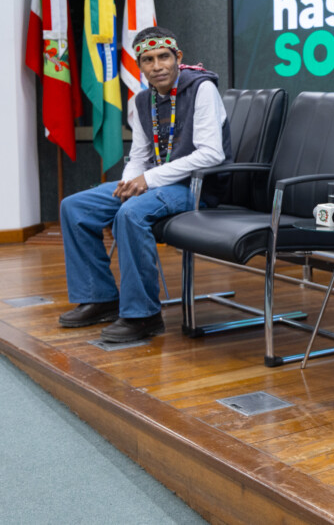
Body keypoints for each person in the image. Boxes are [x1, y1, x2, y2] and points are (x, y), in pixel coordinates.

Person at [58, 26, 232, 343]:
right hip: (156, 184)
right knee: (75, 207)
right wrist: (128, 184)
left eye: (164, 56)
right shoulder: (142, 101)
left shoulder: (202, 89)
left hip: (196, 188)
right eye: (148, 60)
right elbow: (139, 155)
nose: (157, 66)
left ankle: (143, 316)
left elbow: (211, 154)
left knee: (131, 213)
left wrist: (146, 180)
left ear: (178, 57)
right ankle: (101, 299)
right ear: (139, 65)